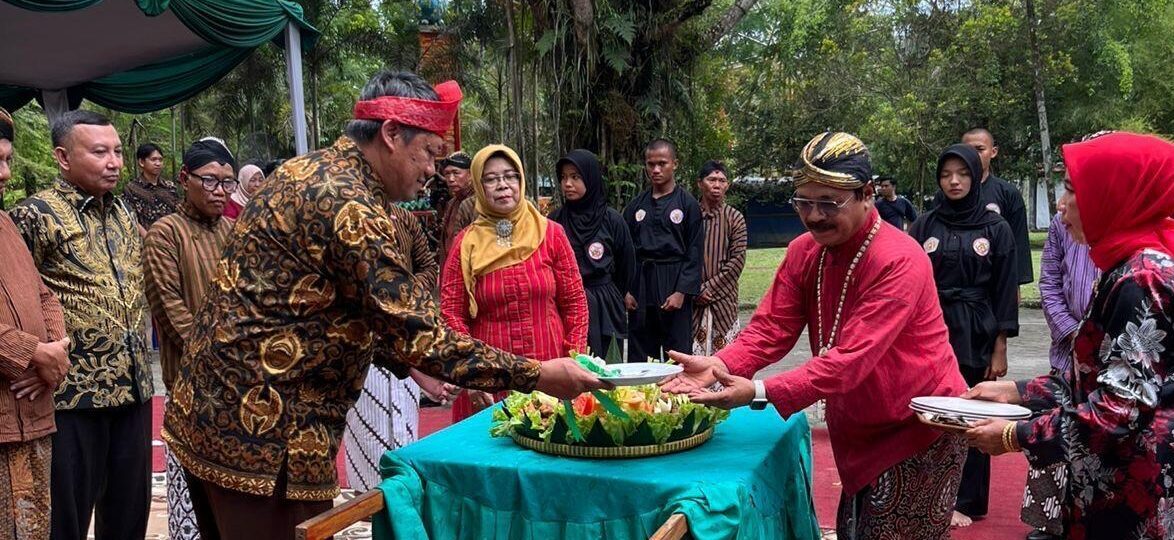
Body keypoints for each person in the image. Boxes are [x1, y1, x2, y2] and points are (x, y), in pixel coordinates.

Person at [161, 71, 607, 540]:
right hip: (267, 436)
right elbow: (423, 334)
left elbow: (325, 307)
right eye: (429, 154)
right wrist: (538, 375)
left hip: (210, 414)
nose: (434, 169)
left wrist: (413, 364)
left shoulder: (303, 170)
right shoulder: (352, 207)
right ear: (392, 134)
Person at [663, 132, 969, 540]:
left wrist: (757, 391)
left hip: (918, 428)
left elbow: (851, 360)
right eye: (804, 201)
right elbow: (771, 328)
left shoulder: (900, 259)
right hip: (859, 427)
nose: (814, 215)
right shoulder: (805, 251)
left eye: (829, 203)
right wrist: (720, 364)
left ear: (867, 194)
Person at [965, 132, 1174, 540]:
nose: (1061, 205)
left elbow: (1119, 411)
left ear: (1114, 195)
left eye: (1073, 191)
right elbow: (1096, 380)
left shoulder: (1142, 279)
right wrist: (1016, 392)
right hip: (1107, 480)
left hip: (1135, 490)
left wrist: (1014, 435)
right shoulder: (1122, 266)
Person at [10, 111, 153, 540]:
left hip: (135, 390)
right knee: (65, 519)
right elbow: (15, 298)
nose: (114, 162)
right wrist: (30, 357)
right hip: (72, 398)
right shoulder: (34, 216)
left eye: (117, 152)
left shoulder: (125, 209)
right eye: (99, 152)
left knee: (130, 516)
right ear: (62, 157)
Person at [909, 144, 1019, 528]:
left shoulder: (996, 228)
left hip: (976, 330)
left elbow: (1005, 290)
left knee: (971, 413)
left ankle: (967, 500)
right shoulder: (925, 225)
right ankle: (927, 490)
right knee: (932, 411)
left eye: (963, 174)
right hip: (930, 329)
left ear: (975, 177)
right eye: (946, 174)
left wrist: (999, 346)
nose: (954, 181)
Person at [440, 144, 590, 421]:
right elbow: (451, 312)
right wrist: (471, 372)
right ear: (479, 187)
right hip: (489, 379)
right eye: (491, 179)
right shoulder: (466, 243)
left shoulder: (552, 234)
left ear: (521, 181)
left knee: (549, 454)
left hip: (550, 373)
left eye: (510, 176)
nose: (503, 185)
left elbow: (575, 303)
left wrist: (575, 360)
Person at [141, 138, 238, 540]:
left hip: (240, 385)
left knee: (234, 499)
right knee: (193, 506)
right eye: (210, 181)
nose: (220, 192)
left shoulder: (234, 230)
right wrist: (223, 357)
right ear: (184, 179)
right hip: (191, 386)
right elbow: (171, 310)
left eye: (228, 183)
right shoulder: (165, 234)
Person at [342, 202, 459, 491]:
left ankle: (403, 507)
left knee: (405, 431)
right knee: (368, 438)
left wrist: (402, 292)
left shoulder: (405, 219)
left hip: (404, 334)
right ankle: (366, 515)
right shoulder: (348, 216)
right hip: (361, 349)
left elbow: (428, 265)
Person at [0, 107, 70, 540]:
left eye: (7, 159)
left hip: (34, 415)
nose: (4, 174)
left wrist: (55, 353)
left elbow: (45, 295)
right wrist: (30, 353)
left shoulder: (5, 223)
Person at [1021, 209, 1100, 540]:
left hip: (1114, 345)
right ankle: (1049, 521)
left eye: (1070, 185)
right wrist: (1072, 330)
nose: (1064, 201)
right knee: (1057, 419)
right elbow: (1050, 279)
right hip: (1069, 346)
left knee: (1091, 431)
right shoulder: (1061, 221)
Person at [548, 149, 635, 359]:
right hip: (566, 303)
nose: (567, 183)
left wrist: (612, 292)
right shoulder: (554, 220)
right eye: (564, 177)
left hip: (604, 302)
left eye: (575, 177)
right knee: (571, 364)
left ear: (591, 178)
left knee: (606, 367)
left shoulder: (611, 219)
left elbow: (627, 264)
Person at [623, 138, 703, 362]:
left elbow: (694, 251)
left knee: (676, 354)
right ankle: (641, 396)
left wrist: (681, 292)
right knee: (641, 352)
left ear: (674, 164)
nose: (656, 170)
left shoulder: (687, 205)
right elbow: (626, 252)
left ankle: (679, 396)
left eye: (662, 163)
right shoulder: (636, 206)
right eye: (651, 164)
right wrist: (627, 290)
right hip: (642, 283)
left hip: (674, 279)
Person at [953, 128, 1034, 286]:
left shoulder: (1008, 193)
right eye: (968, 150)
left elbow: (1018, 241)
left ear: (993, 152)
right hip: (955, 280)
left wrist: (1015, 284)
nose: (974, 155)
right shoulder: (949, 193)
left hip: (996, 278)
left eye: (980, 149)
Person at [691, 160, 747, 354]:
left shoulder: (735, 218)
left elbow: (737, 261)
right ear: (700, 183)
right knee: (691, 358)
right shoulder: (689, 215)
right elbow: (679, 257)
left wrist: (707, 289)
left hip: (724, 300)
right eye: (711, 179)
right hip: (692, 301)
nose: (716, 185)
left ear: (728, 185)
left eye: (722, 180)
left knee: (726, 357)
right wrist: (693, 290)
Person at [123, 142, 179, 236]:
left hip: (171, 239)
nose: (158, 163)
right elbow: (130, 218)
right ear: (141, 162)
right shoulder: (131, 189)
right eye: (153, 160)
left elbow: (178, 213)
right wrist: (148, 239)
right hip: (144, 242)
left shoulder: (170, 187)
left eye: (160, 160)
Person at [437, 151, 473, 264]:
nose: (451, 179)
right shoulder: (452, 203)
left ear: (470, 174)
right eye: (447, 174)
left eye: (456, 173)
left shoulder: (476, 203)